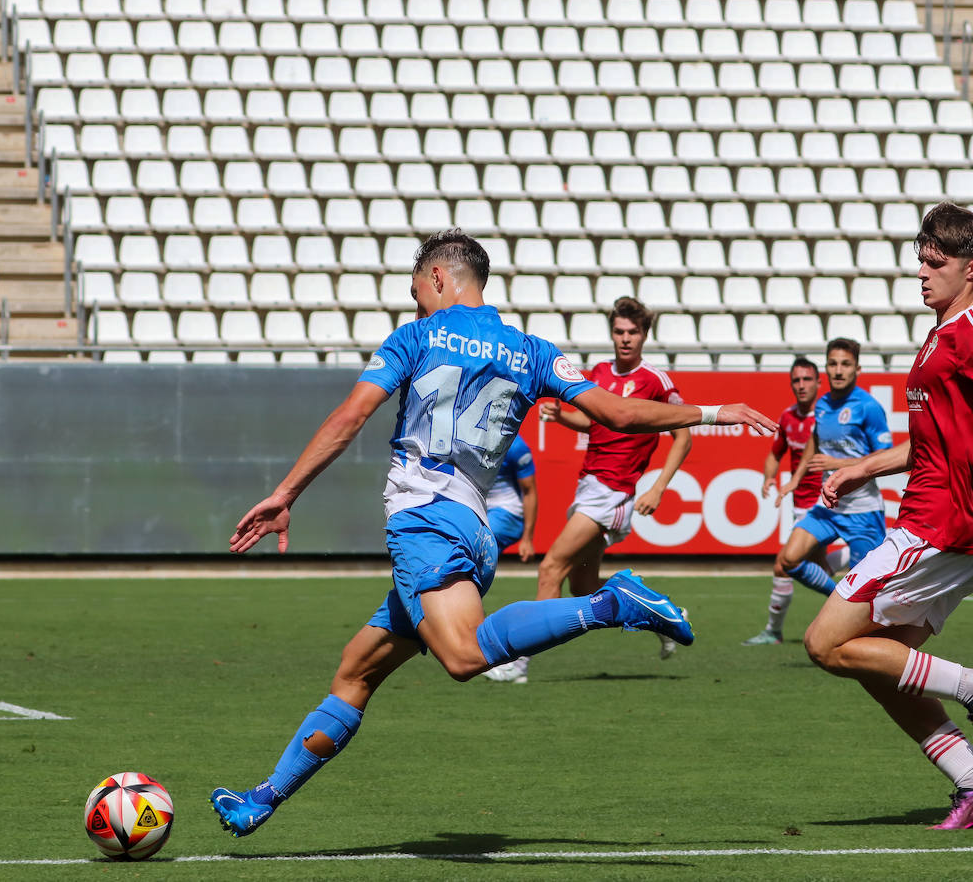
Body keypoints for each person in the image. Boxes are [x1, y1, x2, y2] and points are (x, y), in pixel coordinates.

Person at [209, 230, 776, 838]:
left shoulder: (417, 337)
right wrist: (714, 412)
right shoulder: (531, 350)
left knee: (462, 656)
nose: (414, 304)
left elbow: (351, 416)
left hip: (426, 515)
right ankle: (263, 797)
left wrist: (285, 494)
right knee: (356, 672)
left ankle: (611, 602)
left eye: (414, 292)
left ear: (435, 278)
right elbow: (618, 414)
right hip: (474, 525)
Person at [807, 202, 973, 830]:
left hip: (939, 524)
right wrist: (863, 468)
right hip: (936, 521)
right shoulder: (941, 335)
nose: (922, 268)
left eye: (935, 259)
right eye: (920, 256)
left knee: (824, 643)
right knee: (879, 667)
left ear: (972, 268)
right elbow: (931, 440)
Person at [483, 296, 694, 683]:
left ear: (645, 334)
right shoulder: (599, 371)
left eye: (632, 332)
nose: (625, 339)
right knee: (587, 589)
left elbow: (683, 437)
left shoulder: (657, 381)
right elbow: (597, 423)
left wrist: (659, 487)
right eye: (619, 332)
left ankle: (519, 664)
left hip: (613, 492)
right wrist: (564, 418)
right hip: (589, 486)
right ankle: (658, 614)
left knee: (550, 569)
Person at [745, 339, 892, 645]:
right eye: (833, 364)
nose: (839, 370)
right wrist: (797, 477)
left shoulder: (868, 407)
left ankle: (882, 642)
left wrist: (838, 463)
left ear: (858, 369)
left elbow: (886, 458)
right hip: (827, 507)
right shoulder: (823, 405)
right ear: (826, 368)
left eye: (846, 364)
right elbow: (814, 438)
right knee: (788, 560)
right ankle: (839, 596)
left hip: (863, 512)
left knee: (870, 594)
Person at [742, 357, 850, 646]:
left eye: (806, 380)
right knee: (819, 566)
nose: (801, 385)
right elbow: (775, 453)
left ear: (818, 382)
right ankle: (851, 594)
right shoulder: (788, 418)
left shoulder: (829, 414)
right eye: (796, 380)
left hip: (823, 501)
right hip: (800, 504)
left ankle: (774, 630)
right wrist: (769, 477)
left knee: (784, 564)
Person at [486, 433, 538, 561]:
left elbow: (529, 491)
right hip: (475, 505)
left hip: (507, 510)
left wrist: (527, 539)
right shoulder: (465, 437)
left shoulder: (516, 446)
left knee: (480, 540)